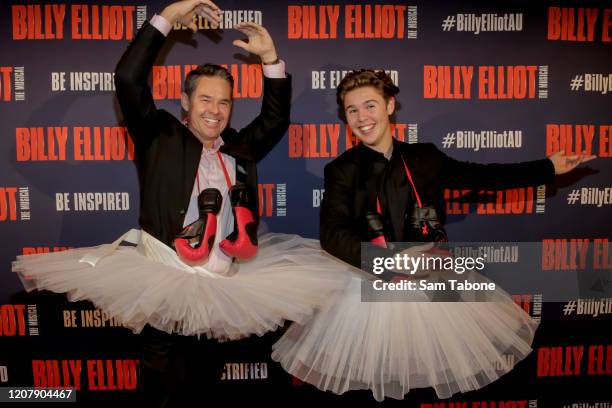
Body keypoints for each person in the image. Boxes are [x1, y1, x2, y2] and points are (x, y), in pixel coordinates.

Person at [12, 1, 349, 406]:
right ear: (186, 103)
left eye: (224, 102)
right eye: (206, 100)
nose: (215, 111)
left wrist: (271, 60)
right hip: (163, 280)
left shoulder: (241, 148)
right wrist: (168, 17)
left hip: (221, 286)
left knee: (204, 383)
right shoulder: (159, 136)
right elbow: (128, 77)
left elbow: (275, 121)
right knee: (164, 387)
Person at [271, 69, 596, 401]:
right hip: (368, 289)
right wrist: (388, 261)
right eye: (352, 110)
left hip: (433, 284)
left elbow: (481, 177)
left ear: (390, 105)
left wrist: (546, 168)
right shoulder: (341, 169)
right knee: (375, 387)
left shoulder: (424, 157)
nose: (362, 117)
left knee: (426, 384)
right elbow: (332, 233)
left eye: (370, 105)